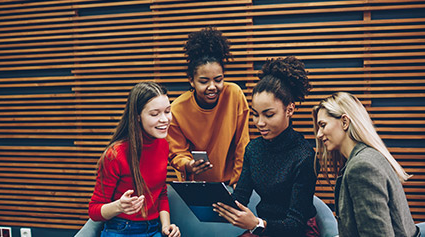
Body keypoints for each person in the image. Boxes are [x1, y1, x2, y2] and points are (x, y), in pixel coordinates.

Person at [213, 56, 318, 237]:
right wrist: (214, 203)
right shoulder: (253, 149)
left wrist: (257, 223)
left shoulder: (304, 155)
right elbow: (240, 197)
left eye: (268, 115)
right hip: (264, 228)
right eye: (255, 114)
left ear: (290, 109)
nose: (259, 123)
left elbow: (296, 223)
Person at [312, 92, 420, 237]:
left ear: (345, 122)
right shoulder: (370, 156)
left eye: (323, 125)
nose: (319, 134)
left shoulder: (361, 167)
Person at [86, 82, 180, 237]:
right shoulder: (115, 155)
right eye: (155, 114)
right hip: (122, 229)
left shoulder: (163, 145)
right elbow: (94, 211)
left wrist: (166, 226)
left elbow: (161, 192)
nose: (164, 119)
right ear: (137, 117)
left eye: (168, 111)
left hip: (154, 228)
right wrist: (119, 206)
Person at [167, 26, 250, 186]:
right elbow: (177, 152)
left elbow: (242, 145)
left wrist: (238, 183)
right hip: (196, 187)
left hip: (231, 184)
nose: (212, 87)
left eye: (218, 80)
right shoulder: (177, 109)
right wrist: (188, 164)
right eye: (204, 81)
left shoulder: (234, 94)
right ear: (191, 80)